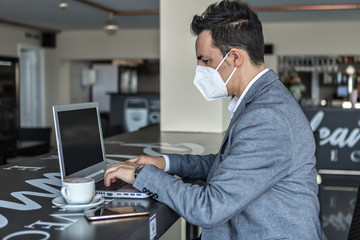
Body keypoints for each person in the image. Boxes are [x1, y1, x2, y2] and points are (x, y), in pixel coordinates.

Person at [104, 1, 327, 239]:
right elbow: (229, 164)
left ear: (234, 58)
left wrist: (140, 175)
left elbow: (208, 208)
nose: (199, 70)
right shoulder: (263, 100)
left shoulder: (268, 116)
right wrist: (165, 163)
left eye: (205, 61)